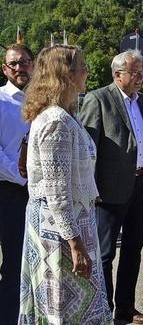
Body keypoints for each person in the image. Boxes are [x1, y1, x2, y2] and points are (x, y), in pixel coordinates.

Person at [18, 45, 113, 324]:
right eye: (82, 66)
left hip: (70, 223)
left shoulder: (65, 115)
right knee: (60, 308)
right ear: (66, 74)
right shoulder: (56, 121)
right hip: (59, 232)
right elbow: (56, 193)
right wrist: (75, 244)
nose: (87, 71)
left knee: (71, 308)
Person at [79, 50, 143, 324]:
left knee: (134, 250)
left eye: (141, 72)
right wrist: (91, 189)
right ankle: (103, 309)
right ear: (117, 74)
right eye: (134, 73)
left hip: (141, 185)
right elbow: (88, 149)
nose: (139, 77)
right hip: (108, 191)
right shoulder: (98, 99)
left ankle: (125, 306)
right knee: (104, 254)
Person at [0, 44, 34, 323]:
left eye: (24, 62)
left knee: (31, 263)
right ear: (4, 68)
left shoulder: (42, 101)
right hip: (9, 191)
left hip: (39, 193)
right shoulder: (0, 100)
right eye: (14, 63)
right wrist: (23, 177)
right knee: (13, 262)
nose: (19, 68)